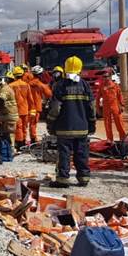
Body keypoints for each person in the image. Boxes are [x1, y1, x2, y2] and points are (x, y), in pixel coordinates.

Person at [46, 56, 95, 187]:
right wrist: (92, 124)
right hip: (82, 128)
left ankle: (63, 179)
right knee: (82, 153)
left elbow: (55, 108)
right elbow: (91, 107)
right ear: (80, 69)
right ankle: (84, 178)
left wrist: (50, 123)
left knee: (64, 154)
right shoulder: (85, 85)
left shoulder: (60, 85)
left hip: (64, 127)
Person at [8, 67, 36, 149]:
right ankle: (23, 142)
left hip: (16, 110)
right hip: (25, 109)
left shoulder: (11, 86)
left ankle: (19, 143)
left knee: (18, 128)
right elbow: (30, 99)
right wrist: (32, 110)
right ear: (22, 75)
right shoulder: (26, 85)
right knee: (24, 127)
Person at [24, 66, 53, 144]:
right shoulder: (41, 85)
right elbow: (49, 94)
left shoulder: (27, 84)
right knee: (33, 124)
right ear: (40, 74)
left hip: (28, 107)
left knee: (26, 124)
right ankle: (33, 139)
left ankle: (23, 139)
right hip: (36, 108)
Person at [0, 76, 18, 160]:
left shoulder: (5, 90)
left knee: (8, 134)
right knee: (6, 134)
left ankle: (9, 152)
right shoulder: (6, 88)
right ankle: (8, 152)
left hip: (8, 115)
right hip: (7, 115)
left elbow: (1, 99)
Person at [97, 71, 127, 143]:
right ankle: (110, 139)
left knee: (119, 122)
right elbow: (98, 98)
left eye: (107, 76)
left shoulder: (115, 85)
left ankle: (123, 137)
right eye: (104, 77)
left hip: (115, 106)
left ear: (110, 77)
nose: (106, 78)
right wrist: (98, 108)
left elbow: (120, 96)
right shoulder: (101, 86)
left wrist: (122, 105)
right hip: (106, 107)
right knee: (107, 123)